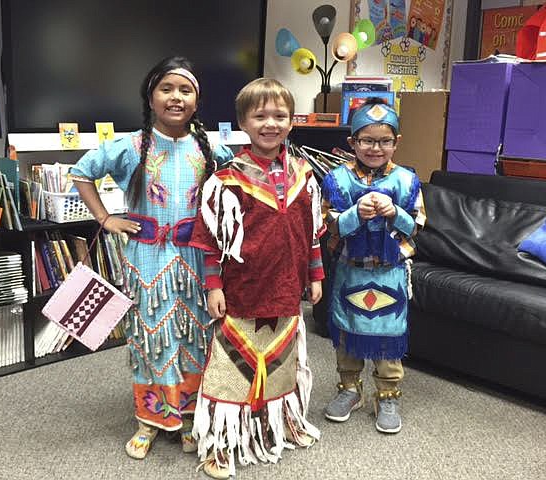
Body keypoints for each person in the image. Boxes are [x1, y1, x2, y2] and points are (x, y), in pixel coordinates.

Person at [70, 56, 233, 460]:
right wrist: (106, 217)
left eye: (185, 90)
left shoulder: (210, 148)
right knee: (152, 338)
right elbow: (81, 171)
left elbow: (235, 185)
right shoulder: (131, 146)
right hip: (146, 259)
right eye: (166, 88)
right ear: (150, 95)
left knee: (196, 337)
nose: (176, 97)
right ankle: (150, 419)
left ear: (197, 101)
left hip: (197, 259)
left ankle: (190, 416)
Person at [189, 78, 324, 478]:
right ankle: (221, 445)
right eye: (259, 116)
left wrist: (315, 277)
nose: (270, 124)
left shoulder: (304, 175)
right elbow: (211, 242)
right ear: (243, 124)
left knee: (281, 364)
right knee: (230, 370)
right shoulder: (226, 180)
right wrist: (213, 285)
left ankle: (275, 426)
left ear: (291, 122)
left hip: (286, 290)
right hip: (243, 290)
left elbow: (312, 233)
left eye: (279, 116)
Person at [321, 98, 425, 434]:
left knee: (387, 336)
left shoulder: (407, 181)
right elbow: (326, 225)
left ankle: (388, 394)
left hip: (389, 273)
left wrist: (395, 213)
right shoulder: (336, 180)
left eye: (384, 141)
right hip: (351, 271)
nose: (376, 148)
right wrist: (354, 215)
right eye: (367, 140)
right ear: (352, 142)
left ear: (397, 141)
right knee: (348, 335)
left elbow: (419, 226)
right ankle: (350, 389)